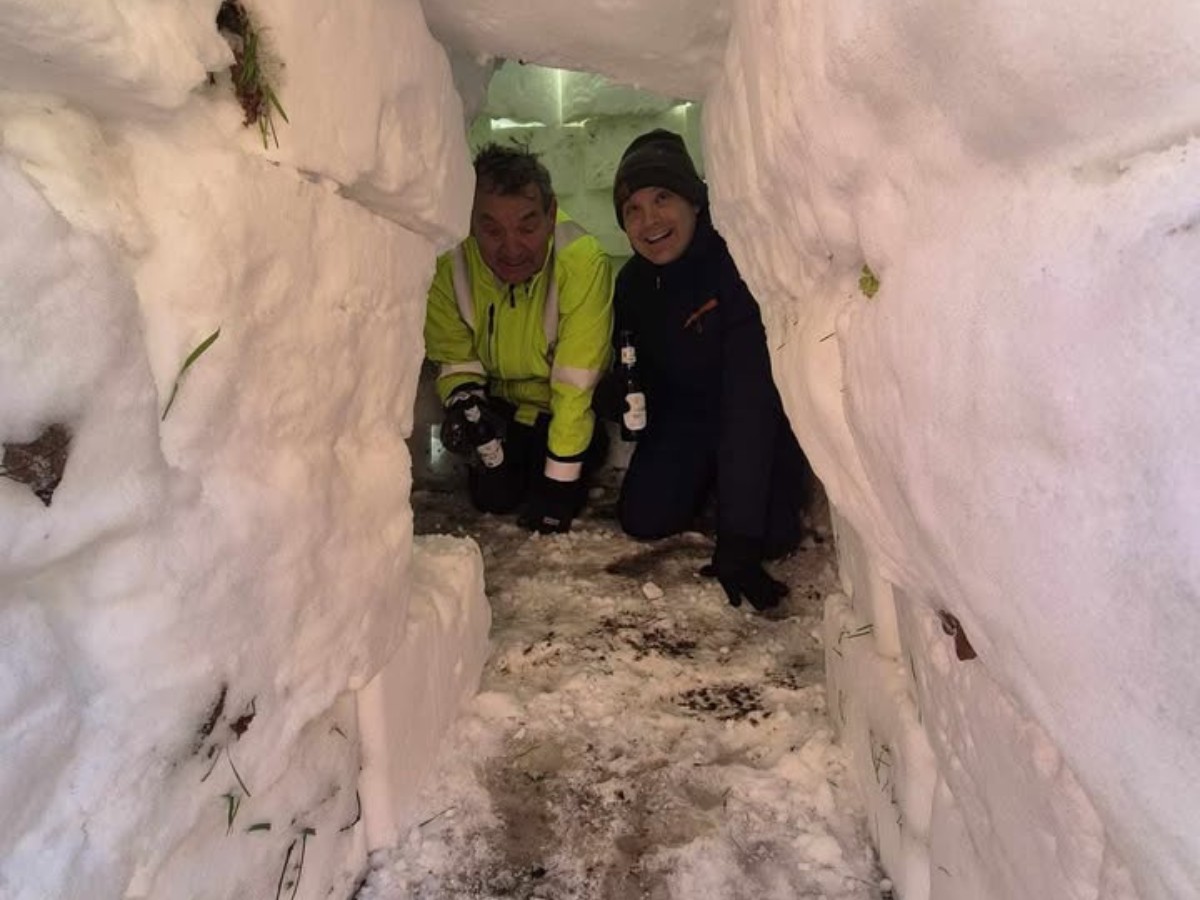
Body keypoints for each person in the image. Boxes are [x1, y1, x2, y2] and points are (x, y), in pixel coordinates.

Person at [608, 129, 812, 612]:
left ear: (694, 202)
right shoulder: (633, 283)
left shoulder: (731, 263)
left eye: (662, 198)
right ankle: (711, 483)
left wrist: (739, 536)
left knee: (772, 537)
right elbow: (637, 370)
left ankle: (732, 493)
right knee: (643, 518)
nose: (649, 220)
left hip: (752, 418)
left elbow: (750, 400)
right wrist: (615, 395)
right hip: (687, 422)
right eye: (632, 209)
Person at [424, 143, 613, 533]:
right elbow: (453, 356)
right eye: (491, 229)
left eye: (527, 227)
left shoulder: (581, 261)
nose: (511, 249)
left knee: (558, 482)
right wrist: (466, 405)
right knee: (495, 499)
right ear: (469, 221)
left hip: (560, 409)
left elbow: (575, 385)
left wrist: (560, 486)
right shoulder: (449, 264)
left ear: (551, 214)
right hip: (500, 409)